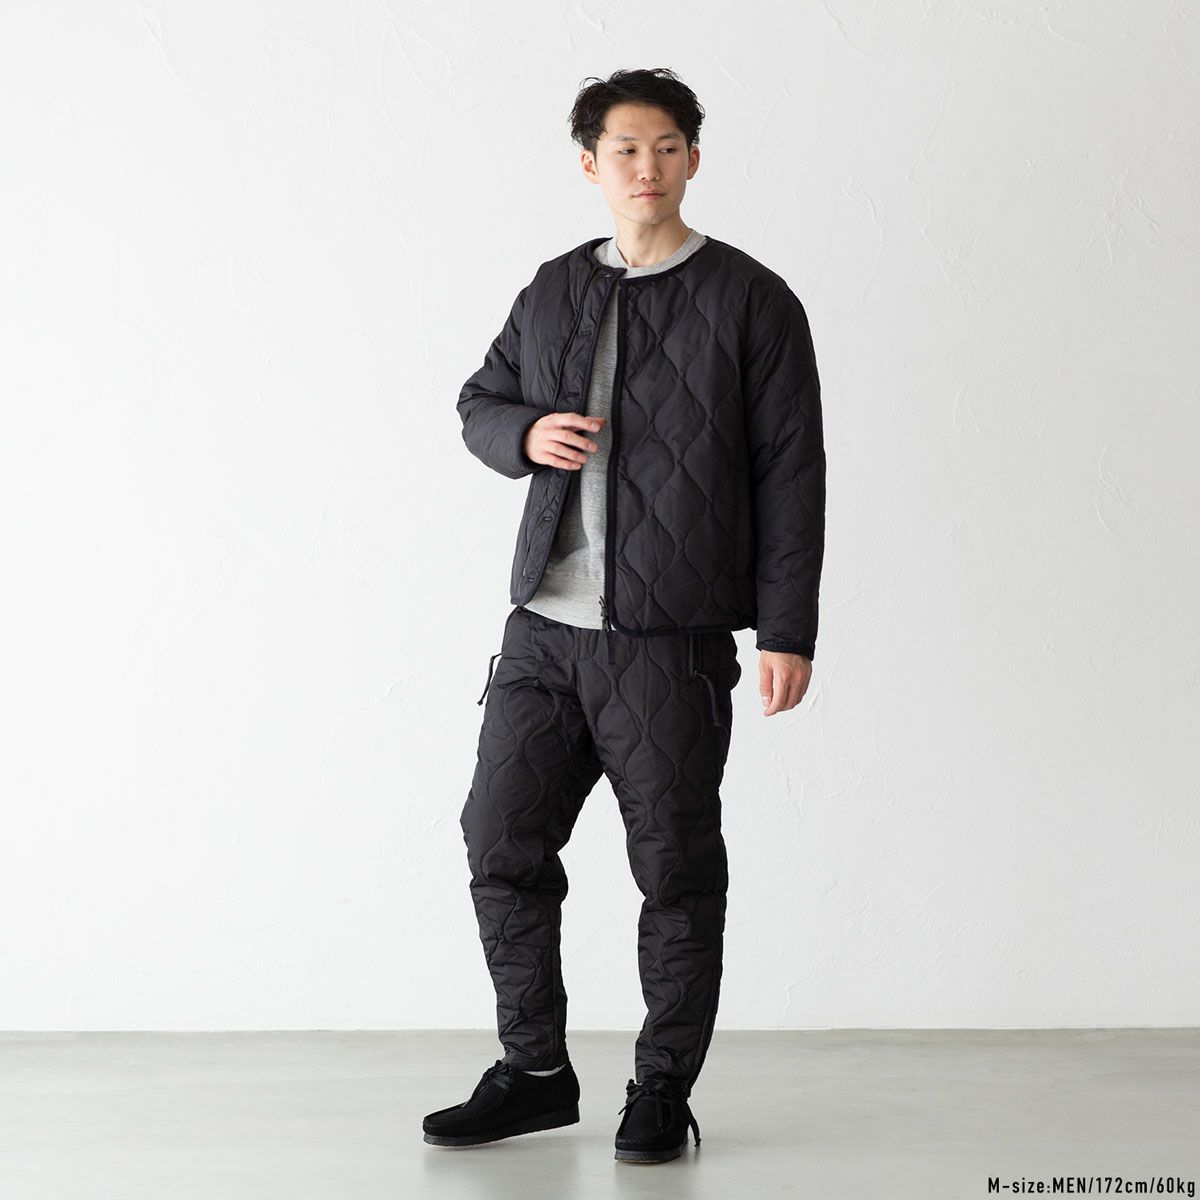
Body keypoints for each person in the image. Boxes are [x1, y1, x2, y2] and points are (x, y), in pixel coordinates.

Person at [422, 67, 826, 1165]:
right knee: (498, 840)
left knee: (676, 871)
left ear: (692, 158)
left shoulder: (752, 300)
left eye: (666, 147)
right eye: (624, 149)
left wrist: (786, 630)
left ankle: (661, 1090)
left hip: (669, 642)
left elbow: (793, 473)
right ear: (590, 164)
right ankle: (534, 1072)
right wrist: (522, 434)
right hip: (544, 632)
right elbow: (479, 400)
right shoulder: (556, 286)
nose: (646, 167)